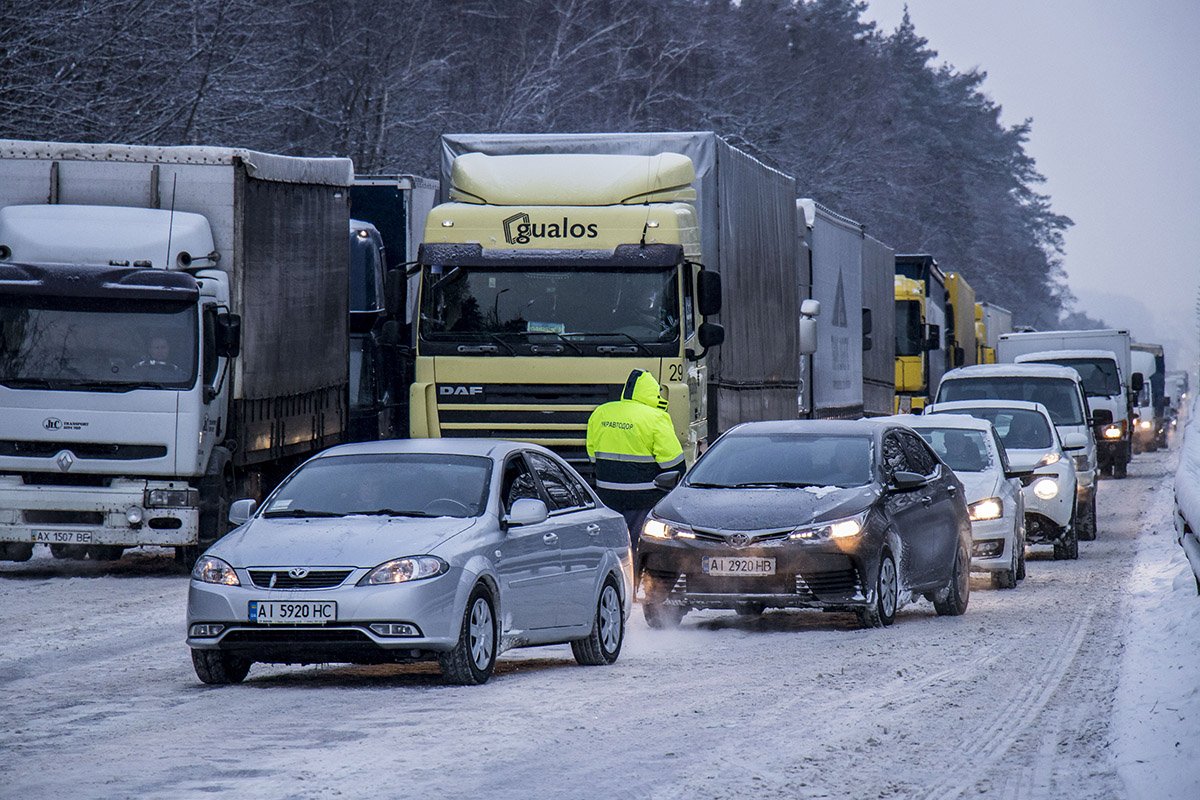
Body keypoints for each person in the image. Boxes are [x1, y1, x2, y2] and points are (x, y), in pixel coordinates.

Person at [586, 369, 686, 553]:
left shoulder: (601, 412)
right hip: (643, 500)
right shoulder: (656, 418)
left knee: (612, 550)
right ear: (653, 392)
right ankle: (636, 579)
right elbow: (674, 465)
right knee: (638, 548)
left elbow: (593, 457)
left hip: (607, 497)